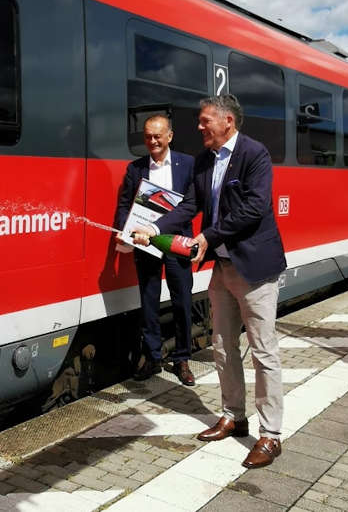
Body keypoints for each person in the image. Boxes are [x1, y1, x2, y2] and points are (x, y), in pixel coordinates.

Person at [133, 95, 286, 469]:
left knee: (263, 352)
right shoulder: (205, 160)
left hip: (255, 268)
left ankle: (271, 435)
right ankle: (234, 415)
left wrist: (209, 237)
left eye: (205, 121)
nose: (199, 128)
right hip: (223, 267)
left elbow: (255, 207)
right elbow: (189, 206)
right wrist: (153, 228)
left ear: (228, 121)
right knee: (221, 346)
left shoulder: (255, 154)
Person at [114, 114, 196, 385]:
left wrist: (158, 228)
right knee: (149, 301)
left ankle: (182, 359)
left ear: (169, 136)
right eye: (148, 136)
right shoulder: (135, 169)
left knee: (182, 301)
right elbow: (125, 204)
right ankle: (152, 357)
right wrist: (124, 233)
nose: (152, 141)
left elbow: (190, 205)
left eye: (157, 136)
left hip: (176, 242)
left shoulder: (188, 164)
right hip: (145, 244)